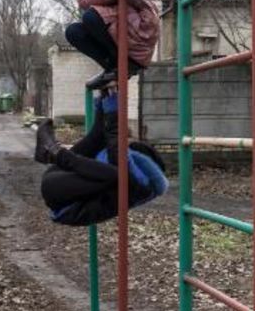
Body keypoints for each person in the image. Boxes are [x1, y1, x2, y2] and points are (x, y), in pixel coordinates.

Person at [34, 90, 168, 227]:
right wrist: (103, 106)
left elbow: (117, 151)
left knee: (116, 174)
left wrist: (114, 113)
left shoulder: (137, 186)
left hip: (68, 205)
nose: (127, 148)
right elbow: (99, 138)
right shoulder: (136, 179)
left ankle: (54, 153)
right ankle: (51, 151)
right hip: (60, 184)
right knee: (98, 144)